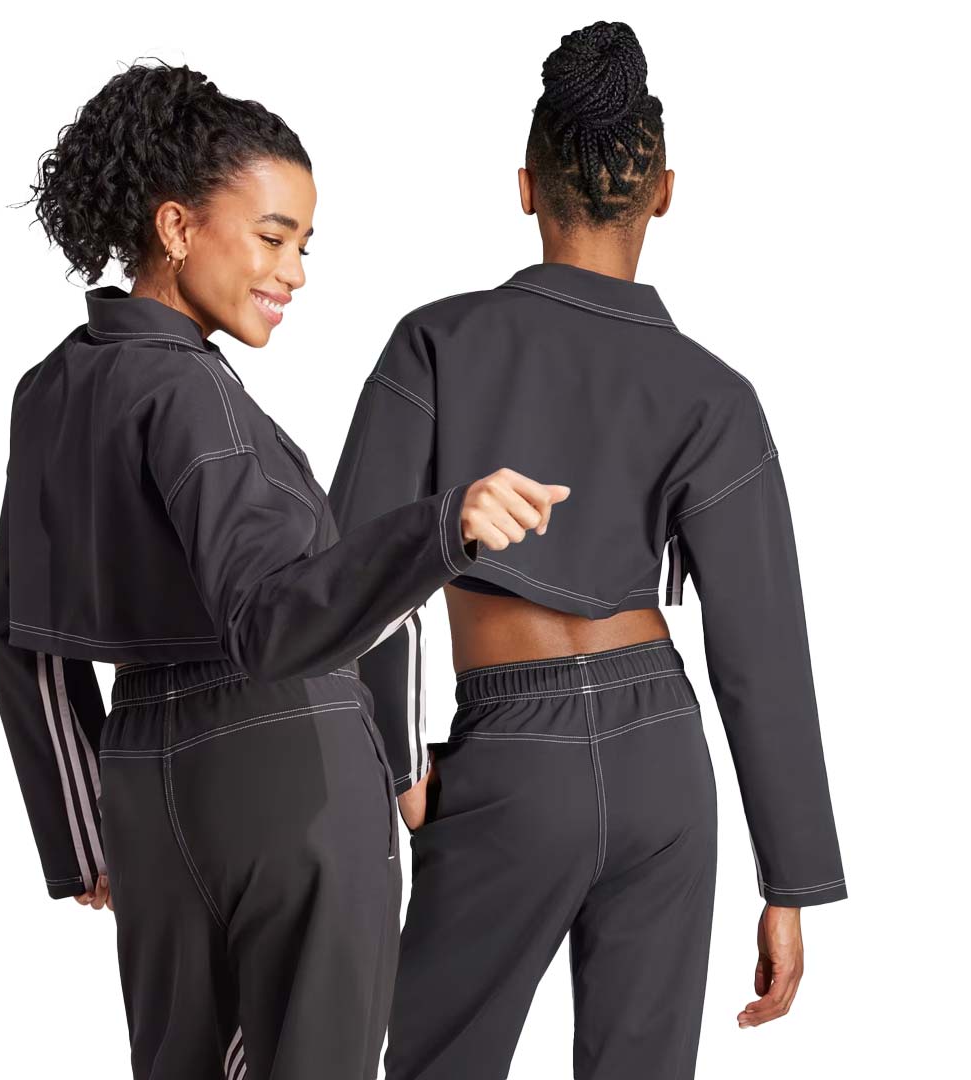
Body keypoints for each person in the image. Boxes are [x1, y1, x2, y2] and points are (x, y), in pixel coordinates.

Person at [0, 61, 568, 1080]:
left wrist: (82, 833)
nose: (294, 272)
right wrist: (444, 529)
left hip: (145, 786)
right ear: (176, 228)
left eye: (303, 245)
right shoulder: (195, 398)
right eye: (271, 236)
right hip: (289, 767)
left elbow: (20, 632)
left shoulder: (54, 389)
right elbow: (276, 620)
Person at [328, 21, 846, 1080]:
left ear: (526, 187)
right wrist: (789, 884)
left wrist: (399, 765)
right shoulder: (717, 394)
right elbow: (762, 646)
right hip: (663, 755)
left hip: (512, 755)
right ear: (665, 194)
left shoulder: (437, 341)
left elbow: (352, 575)